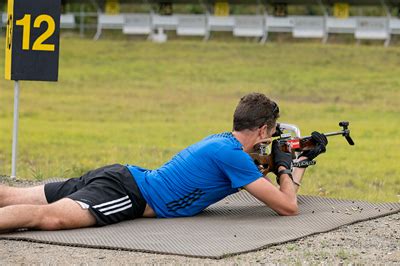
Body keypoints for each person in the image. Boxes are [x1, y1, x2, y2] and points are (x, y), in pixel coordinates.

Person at [0, 93, 328, 232]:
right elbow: (287, 206)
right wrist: (292, 166)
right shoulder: (233, 157)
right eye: (270, 134)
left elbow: (248, 170)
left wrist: (279, 161)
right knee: (49, 219)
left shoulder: (222, 142)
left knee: (14, 195)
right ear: (261, 130)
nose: (271, 140)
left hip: (120, 176)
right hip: (130, 195)